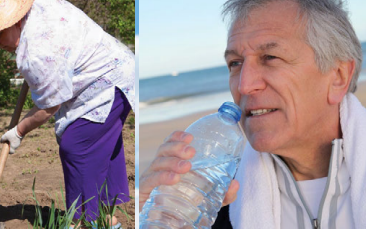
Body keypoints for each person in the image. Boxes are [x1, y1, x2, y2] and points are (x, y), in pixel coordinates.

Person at [139, 0, 366, 228]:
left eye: (270, 57)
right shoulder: (216, 204)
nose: (244, 85)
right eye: (235, 63)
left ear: (338, 77)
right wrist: (142, 213)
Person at [0, 0, 137, 228]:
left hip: (108, 81)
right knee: (98, 146)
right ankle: (107, 219)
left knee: (78, 147)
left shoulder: (35, 52)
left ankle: (82, 221)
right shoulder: (38, 7)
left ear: (15, 21)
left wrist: (19, 131)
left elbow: (49, 107)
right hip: (117, 68)